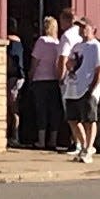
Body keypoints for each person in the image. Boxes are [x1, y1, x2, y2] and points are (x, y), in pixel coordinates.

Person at [64, 18, 100, 164]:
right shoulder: (77, 46)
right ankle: (84, 145)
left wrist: (93, 87)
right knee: (72, 119)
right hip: (73, 87)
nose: (82, 30)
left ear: (93, 29)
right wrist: (70, 66)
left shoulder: (97, 47)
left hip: (88, 88)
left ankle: (89, 146)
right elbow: (70, 63)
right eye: (80, 27)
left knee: (89, 119)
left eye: (85, 27)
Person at [29, 16, 62, 151]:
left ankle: (41, 140)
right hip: (54, 80)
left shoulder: (41, 41)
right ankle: (53, 140)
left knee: (41, 110)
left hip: (40, 80)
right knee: (54, 110)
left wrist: (30, 75)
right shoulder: (57, 43)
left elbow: (35, 61)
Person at [56, 8, 84, 154]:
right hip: (83, 77)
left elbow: (63, 58)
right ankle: (81, 142)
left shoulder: (67, 36)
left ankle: (77, 142)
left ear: (66, 20)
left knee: (71, 112)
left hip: (70, 78)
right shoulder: (81, 35)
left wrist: (60, 77)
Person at [6, 18, 26, 148]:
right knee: (14, 107)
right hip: (19, 77)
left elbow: (11, 62)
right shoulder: (19, 43)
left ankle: (14, 136)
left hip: (14, 77)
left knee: (12, 108)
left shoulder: (11, 42)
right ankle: (14, 135)